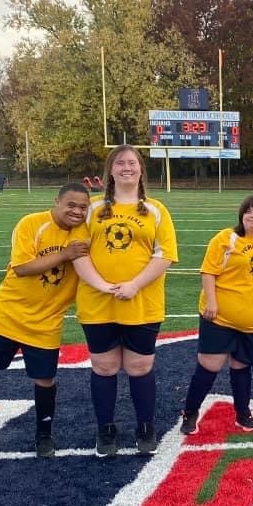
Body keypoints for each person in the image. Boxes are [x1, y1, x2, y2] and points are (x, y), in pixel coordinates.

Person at [0, 183, 91, 457]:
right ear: (56, 202)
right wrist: (65, 254)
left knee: (45, 379)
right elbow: (22, 268)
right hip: (8, 313)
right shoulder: (32, 223)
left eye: (83, 207)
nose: (77, 211)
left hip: (46, 321)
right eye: (71, 205)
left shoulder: (85, 232)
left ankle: (44, 435)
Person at [72, 144, 178, 457]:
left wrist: (134, 285)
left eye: (132, 162)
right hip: (98, 302)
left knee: (140, 366)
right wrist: (102, 285)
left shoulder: (156, 210)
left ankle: (145, 427)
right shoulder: (92, 208)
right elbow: (77, 252)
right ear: (111, 171)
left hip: (142, 301)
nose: (126, 168)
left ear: (141, 170)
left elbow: (165, 255)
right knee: (104, 367)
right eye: (120, 163)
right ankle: (105, 430)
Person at [180, 195, 253, 435]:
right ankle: (190, 411)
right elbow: (208, 271)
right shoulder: (227, 238)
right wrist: (211, 302)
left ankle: (242, 414)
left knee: (241, 366)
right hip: (220, 318)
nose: (252, 215)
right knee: (210, 364)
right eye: (248, 211)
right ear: (241, 215)